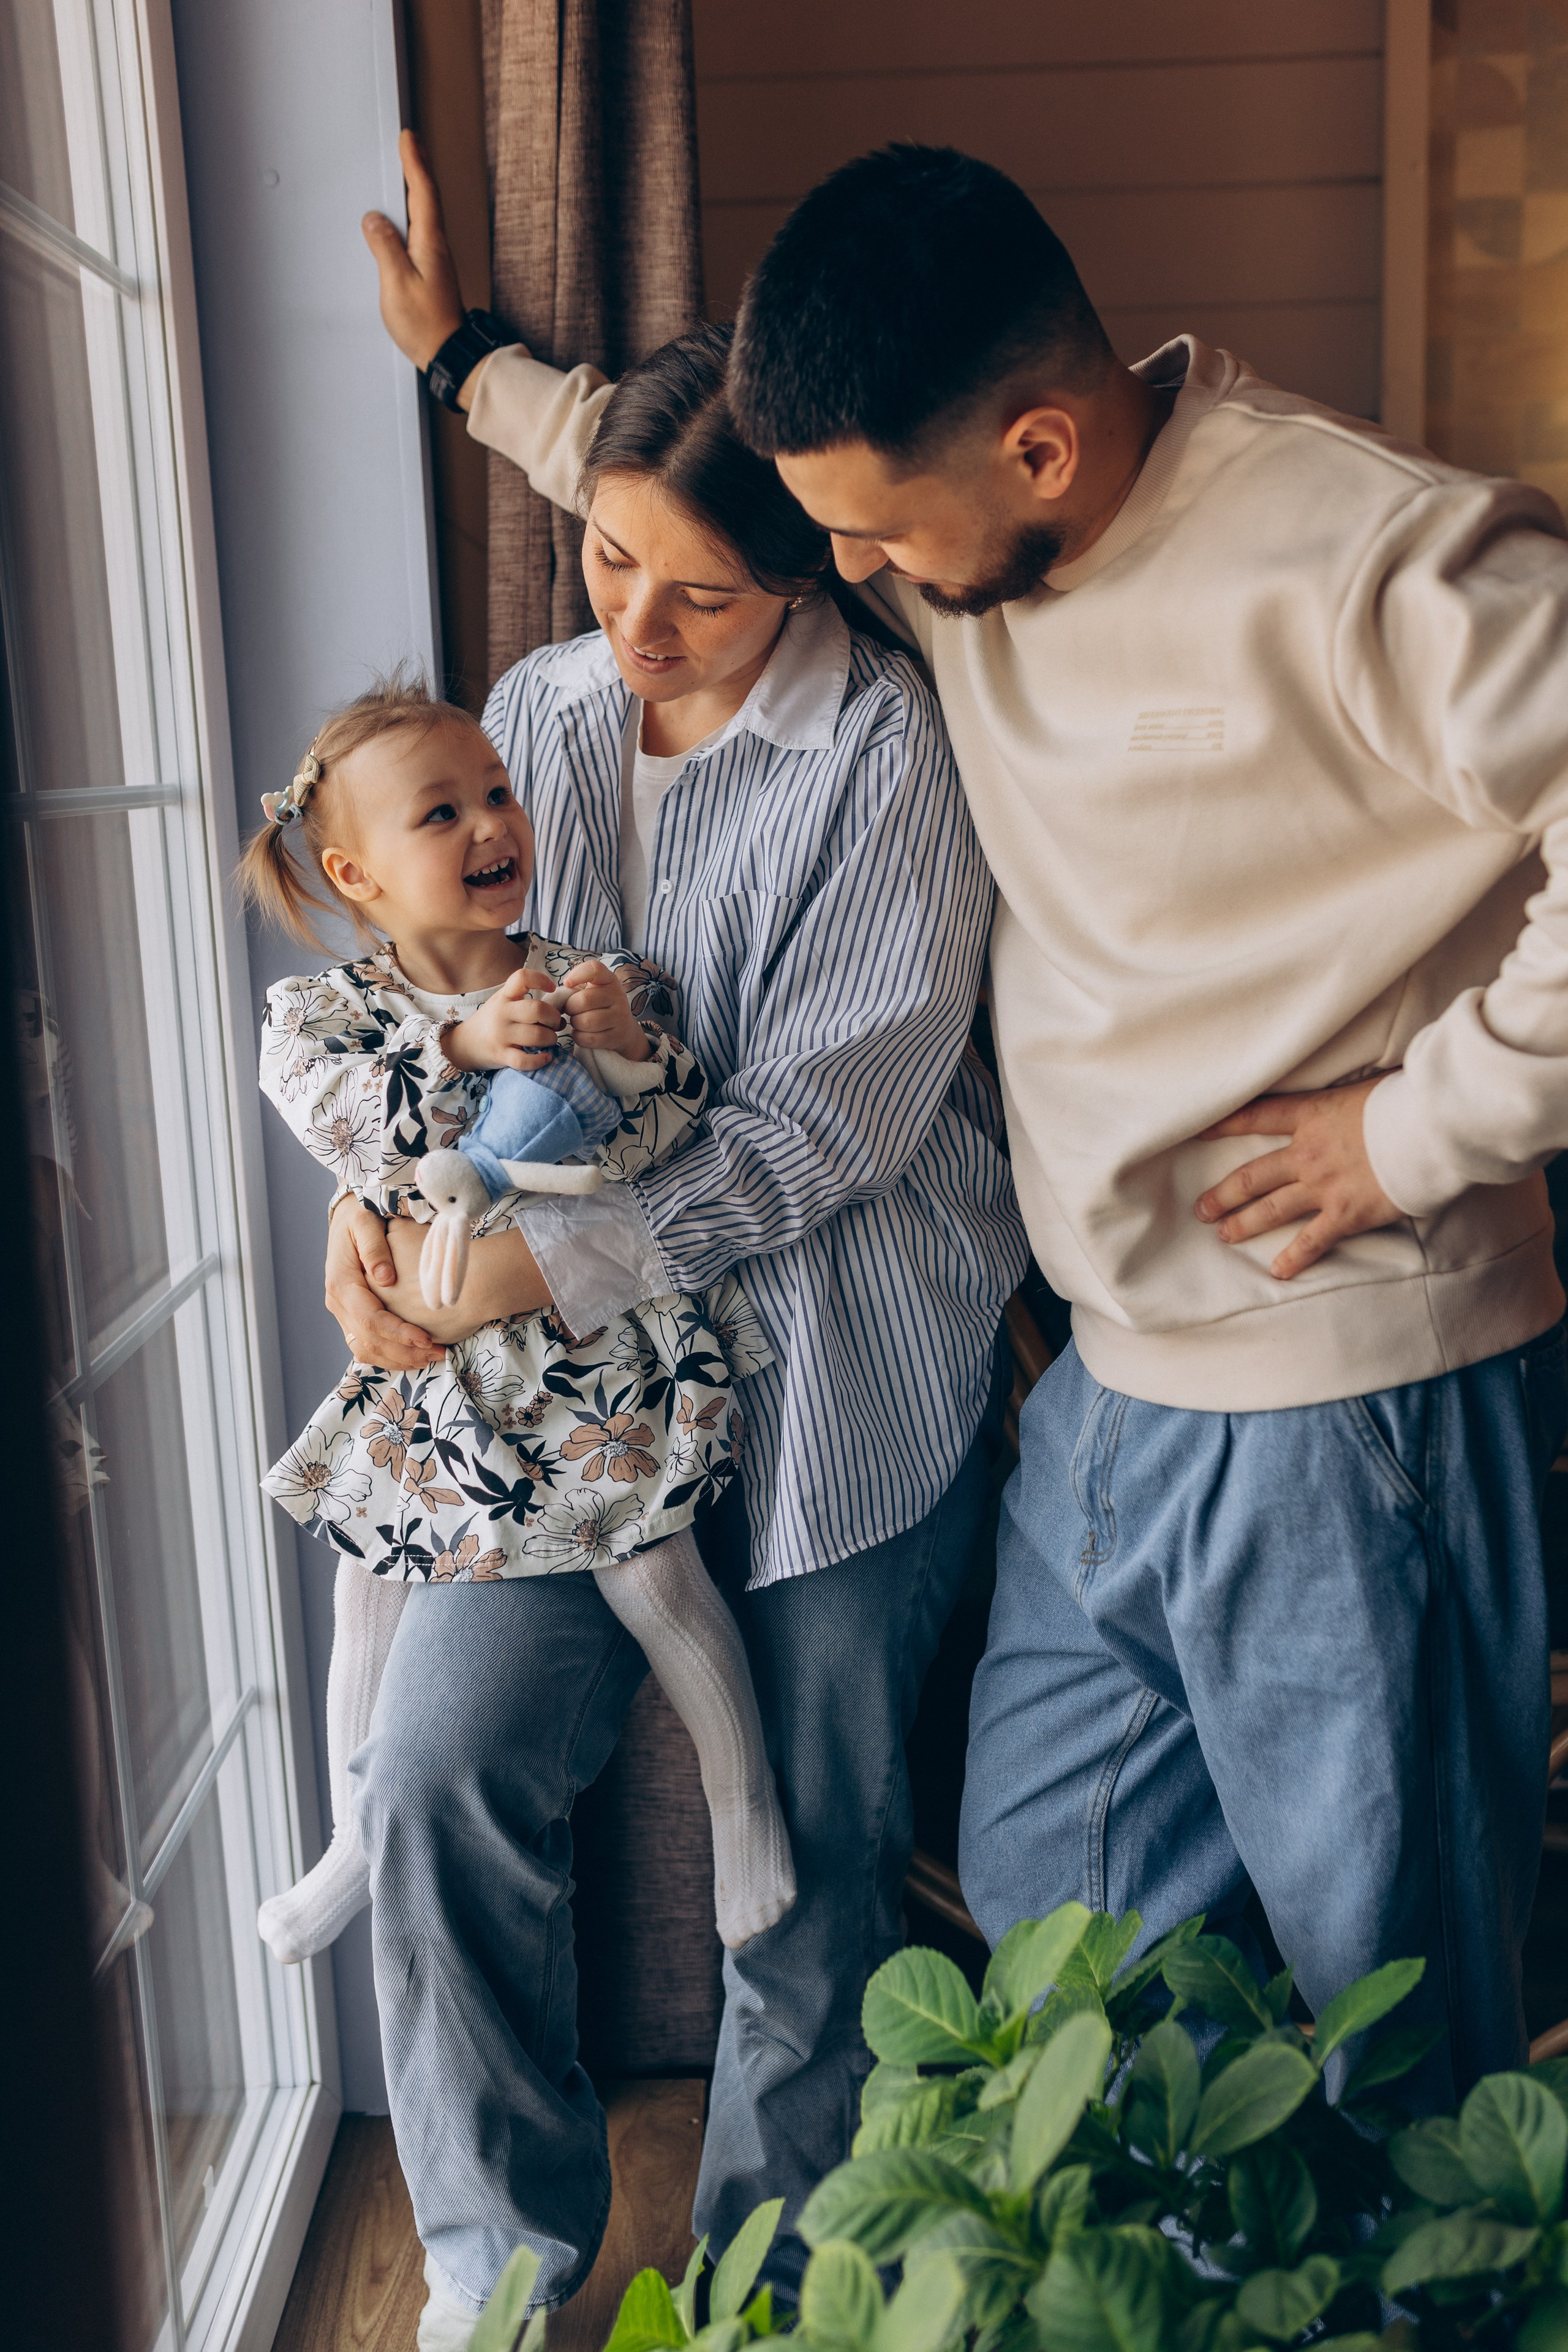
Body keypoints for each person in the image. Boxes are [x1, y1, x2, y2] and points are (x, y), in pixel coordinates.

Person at [365, 134, 1568, 2109]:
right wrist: (464, 362)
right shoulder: (959, 548)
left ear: (1034, 449)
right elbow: (663, 472)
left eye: (862, 533)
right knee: (1058, 1958)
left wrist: (1422, 1128)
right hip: (1106, 1395)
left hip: (1353, 1393)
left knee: (1389, 2022)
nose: (841, 579)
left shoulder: (1380, 556)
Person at [327, 263, 1024, 2330]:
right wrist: (368, 1221)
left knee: (799, 1870)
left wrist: (500, 1268)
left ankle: (766, 2295)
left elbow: (823, 1139)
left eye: (700, 591)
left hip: (839, 1363)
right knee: (440, 1775)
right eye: (610, 556)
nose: (636, 621)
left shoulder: (890, 755)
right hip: (565, 1393)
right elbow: (416, 1011)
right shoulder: (527, 713)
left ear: (808, 571)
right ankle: (495, 2271)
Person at [241, 674, 793, 1972]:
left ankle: (744, 1809)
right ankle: (356, 1838)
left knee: (654, 1573)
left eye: (496, 792)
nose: (491, 823)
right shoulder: (321, 1017)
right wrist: (461, 1052)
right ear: (355, 873)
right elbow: (342, 1128)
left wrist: (632, 1057)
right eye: (440, 813)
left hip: (589, 1360)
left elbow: (666, 1145)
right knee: (368, 1581)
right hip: (434, 1380)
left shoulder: (588, 980)